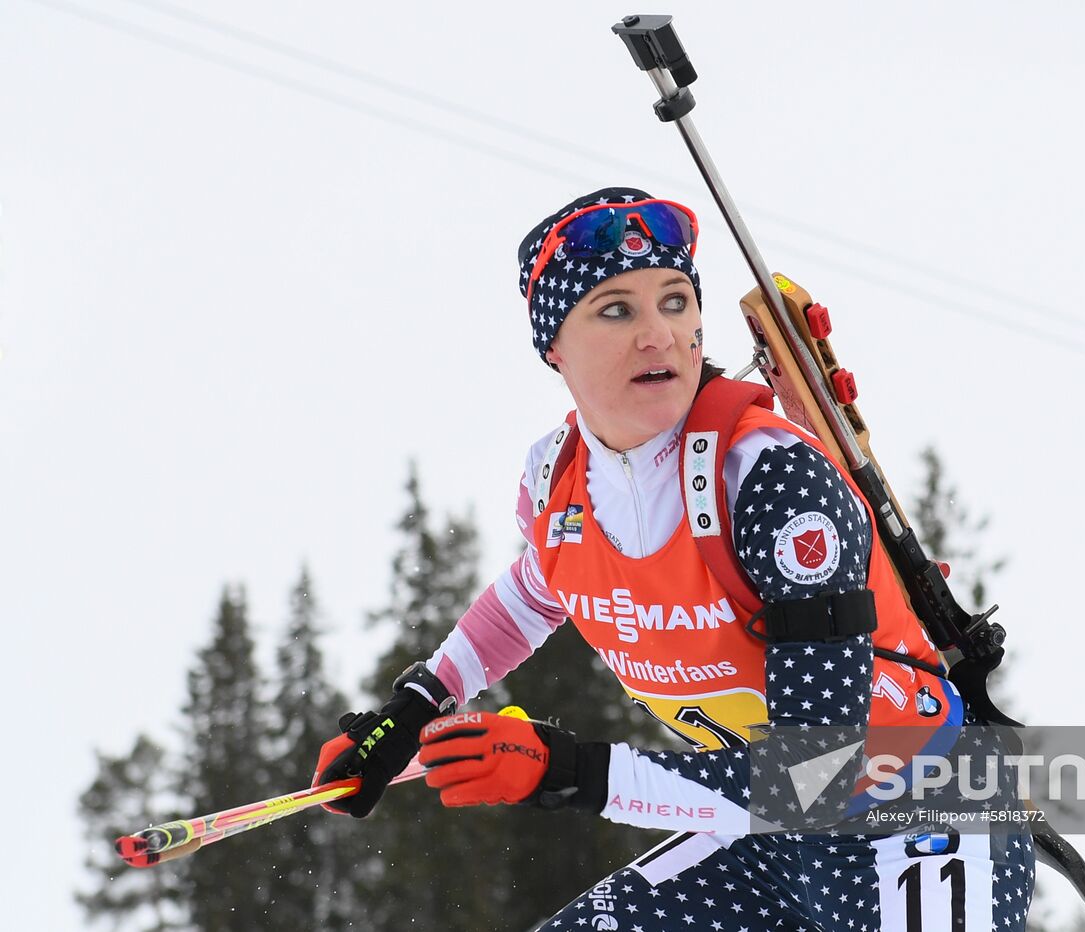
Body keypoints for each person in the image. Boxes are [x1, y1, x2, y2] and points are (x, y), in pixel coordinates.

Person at [312, 187, 1035, 930]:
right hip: (769, 847)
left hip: (916, 820)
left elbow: (816, 774)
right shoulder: (556, 480)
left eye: (677, 301)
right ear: (553, 345)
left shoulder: (768, 476)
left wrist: (567, 771)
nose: (658, 334)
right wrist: (412, 713)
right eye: (616, 309)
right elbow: (533, 592)